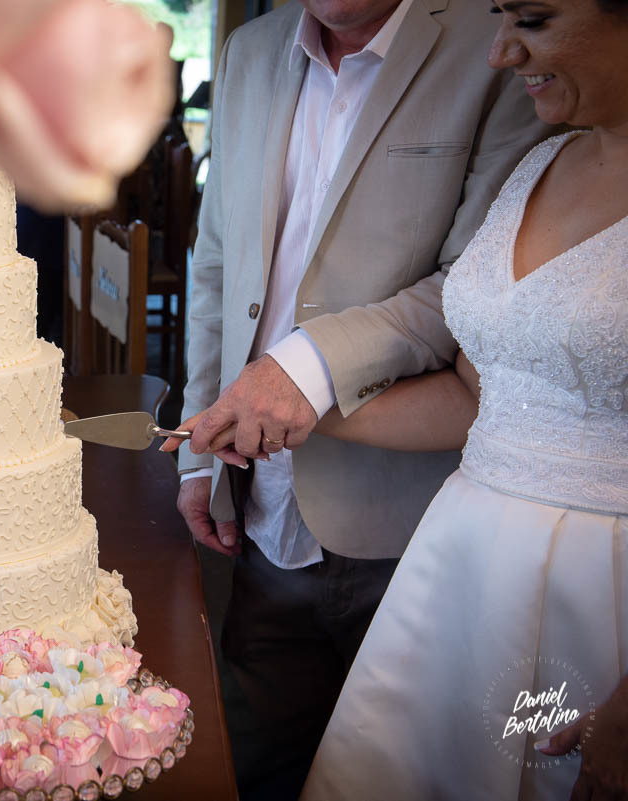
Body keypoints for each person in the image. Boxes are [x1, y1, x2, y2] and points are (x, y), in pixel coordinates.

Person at [160, 0, 556, 796]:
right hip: (260, 506)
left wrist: (309, 365)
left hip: (409, 521)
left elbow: (478, 285)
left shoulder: (502, 49)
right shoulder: (247, 51)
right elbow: (215, 265)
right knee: (252, 767)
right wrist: (199, 460)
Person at [291, 0, 628, 796]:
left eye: (535, 21)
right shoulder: (541, 164)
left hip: (598, 602)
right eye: (501, 15)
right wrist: (300, 406)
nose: (499, 53)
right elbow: (481, 398)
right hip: (459, 575)